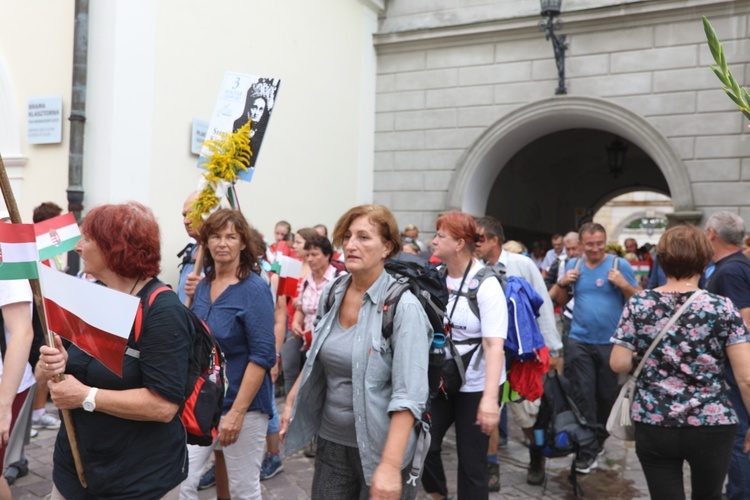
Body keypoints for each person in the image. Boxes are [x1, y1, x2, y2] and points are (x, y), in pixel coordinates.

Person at [40, 202, 193, 499]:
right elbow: (69, 369)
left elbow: (164, 406)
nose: (78, 247)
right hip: (75, 469)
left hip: (139, 479)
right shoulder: (93, 294)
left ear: (114, 248)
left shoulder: (163, 311)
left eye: (86, 239)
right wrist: (57, 363)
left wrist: (86, 397)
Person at [280, 204, 431, 499]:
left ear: (387, 247)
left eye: (363, 237)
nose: (350, 244)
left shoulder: (404, 307)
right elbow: (315, 357)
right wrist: (291, 400)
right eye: (347, 236)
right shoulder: (334, 291)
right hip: (331, 445)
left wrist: (388, 466)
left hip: (382, 448)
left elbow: (409, 396)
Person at [610, 224, 750, 499]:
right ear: (705, 258)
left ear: (662, 259)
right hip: (711, 421)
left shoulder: (639, 303)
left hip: (655, 420)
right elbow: (746, 376)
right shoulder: (722, 307)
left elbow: (618, 364)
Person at [179, 209, 276, 500]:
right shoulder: (202, 282)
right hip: (202, 403)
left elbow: (262, 356)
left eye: (231, 237)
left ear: (243, 243)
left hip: (242, 407)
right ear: (205, 242)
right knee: (179, 482)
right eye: (216, 236)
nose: (223, 243)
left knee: (243, 490)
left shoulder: (255, 289)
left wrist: (236, 413)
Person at [422, 212, 506, 500]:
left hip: (477, 385)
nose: (433, 241)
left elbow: (495, 345)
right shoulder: (437, 277)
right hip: (443, 379)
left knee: (472, 467)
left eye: (440, 236)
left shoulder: (486, 285)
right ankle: (437, 494)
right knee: (424, 445)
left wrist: (490, 399)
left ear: (459, 243)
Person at [475, 216, 562, 488]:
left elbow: (543, 305)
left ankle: (536, 455)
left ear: (494, 240)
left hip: (522, 356)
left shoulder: (522, 265)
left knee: (527, 415)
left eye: (478, 239)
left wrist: (553, 348)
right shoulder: (472, 268)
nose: (472, 244)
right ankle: (491, 468)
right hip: (488, 355)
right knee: (489, 414)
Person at [556, 222, 639, 473]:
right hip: (579, 340)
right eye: (589, 244)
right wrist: (562, 283)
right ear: (581, 245)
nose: (595, 249)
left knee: (605, 396)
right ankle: (587, 451)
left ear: (606, 242)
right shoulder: (574, 265)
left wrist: (623, 284)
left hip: (610, 343)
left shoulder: (618, 265)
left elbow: (637, 299)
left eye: (599, 243)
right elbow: (561, 301)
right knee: (583, 394)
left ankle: (598, 438)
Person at [703, 211, 750, 499]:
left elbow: (746, 323)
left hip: (736, 373)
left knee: (739, 439)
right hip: (735, 371)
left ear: (711, 235)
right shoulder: (736, 266)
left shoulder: (730, 271)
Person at [278, 227, 318, 396]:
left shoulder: (318, 266)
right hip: (292, 326)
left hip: (312, 327)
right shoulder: (291, 265)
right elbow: (282, 296)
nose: (294, 245)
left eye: (299, 242)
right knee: (290, 370)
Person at [232, 78, 278, 169]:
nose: (256, 112)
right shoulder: (238, 124)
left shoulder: (263, 131)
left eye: (261, 109)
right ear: (249, 107)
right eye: (254, 107)